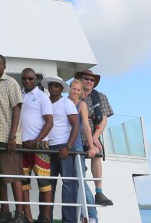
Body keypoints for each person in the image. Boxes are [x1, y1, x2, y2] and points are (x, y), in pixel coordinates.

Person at [0, 55, 24, 223]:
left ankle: (20, 213)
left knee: (14, 177)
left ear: (4, 66)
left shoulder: (11, 83)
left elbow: (17, 109)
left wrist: (12, 136)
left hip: (8, 138)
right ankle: (6, 212)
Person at [73, 70, 113, 207]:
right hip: (76, 135)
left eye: (92, 80)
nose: (90, 82)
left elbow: (104, 120)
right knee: (77, 161)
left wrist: (95, 137)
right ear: (79, 79)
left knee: (96, 154)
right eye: (86, 79)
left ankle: (99, 192)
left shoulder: (100, 97)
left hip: (92, 134)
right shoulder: (73, 96)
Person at [18, 68, 53, 223]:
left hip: (39, 146)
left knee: (44, 183)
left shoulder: (42, 96)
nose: (27, 81)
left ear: (36, 79)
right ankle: (28, 217)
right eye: (24, 78)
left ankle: (45, 218)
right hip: (22, 145)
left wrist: (37, 141)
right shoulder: (18, 95)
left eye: (30, 79)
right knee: (23, 183)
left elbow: (49, 122)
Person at [43, 76, 78, 223]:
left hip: (63, 147)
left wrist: (68, 146)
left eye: (56, 86)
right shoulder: (45, 102)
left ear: (61, 88)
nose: (53, 88)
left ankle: (69, 220)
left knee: (68, 185)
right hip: (47, 148)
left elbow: (76, 126)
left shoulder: (67, 102)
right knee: (48, 186)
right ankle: (46, 218)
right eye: (51, 85)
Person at [67, 79, 98, 223]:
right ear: (69, 89)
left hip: (77, 146)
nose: (75, 92)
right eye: (74, 89)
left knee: (81, 181)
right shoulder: (63, 102)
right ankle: (78, 214)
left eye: (78, 90)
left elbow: (86, 126)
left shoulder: (81, 105)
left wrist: (91, 146)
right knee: (70, 182)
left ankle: (92, 216)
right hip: (64, 145)